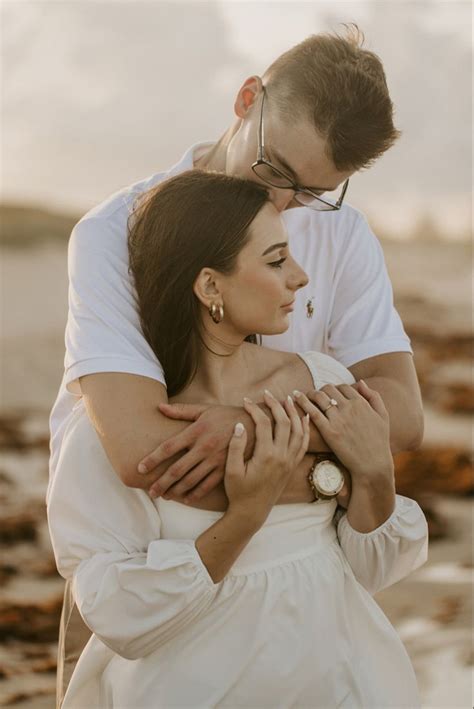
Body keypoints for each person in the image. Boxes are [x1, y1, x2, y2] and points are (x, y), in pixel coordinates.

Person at [48, 26, 424, 704]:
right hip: (147, 559)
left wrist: (247, 428)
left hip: (301, 591)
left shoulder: (343, 235)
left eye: (313, 191)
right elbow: (143, 455)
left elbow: (399, 412)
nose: (285, 203)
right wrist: (338, 468)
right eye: (277, 172)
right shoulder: (116, 231)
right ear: (246, 99)